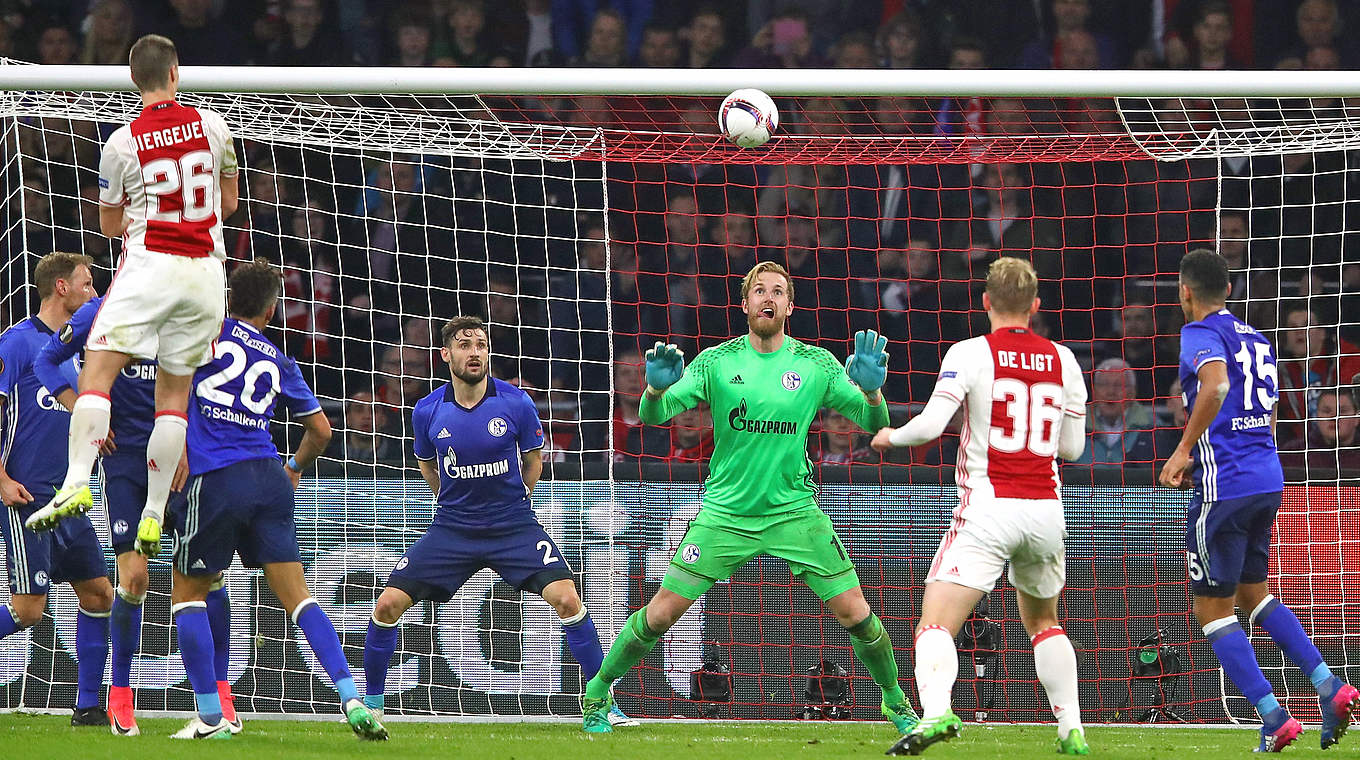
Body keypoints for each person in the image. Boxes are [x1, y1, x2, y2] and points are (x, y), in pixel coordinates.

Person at [580, 261, 919, 737]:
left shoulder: (815, 364)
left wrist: (873, 387)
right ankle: (596, 693)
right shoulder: (717, 362)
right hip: (725, 513)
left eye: (777, 291)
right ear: (744, 304)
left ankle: (896, 701)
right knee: (661, 613)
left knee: (857, 615)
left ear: (789, 305)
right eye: (758, 290)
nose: (768, 297)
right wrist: (655, 387)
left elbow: (871, 420)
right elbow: (653, 416)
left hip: (794, 513)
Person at [362, 316, 633, 726]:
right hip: (453, 528)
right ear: (446, 355)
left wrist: (514, 502)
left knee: (567, 599)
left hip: (513, 526)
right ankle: (374, 704)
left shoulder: (515, 403)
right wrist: (455, 504)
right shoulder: (427, 411)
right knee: (386, 605)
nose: (474, 352)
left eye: (481, 344)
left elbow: (534, 461)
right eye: (464, 344)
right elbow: (427, 467)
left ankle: (601, 702)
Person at [28, 36, 239, 560]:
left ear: (132, 79)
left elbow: (107, 223)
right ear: (176, 72)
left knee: (96, 373)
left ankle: (77, 480)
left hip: (151, 266)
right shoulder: (216, 129)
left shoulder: (122, 143)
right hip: (208, 276)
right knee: (175, 396)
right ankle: (153, 510)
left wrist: (149, 215)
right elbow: (229, 204)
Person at [870, 257, 1090, 756]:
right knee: (1044, 623)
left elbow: (929, 427)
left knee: (935, 623)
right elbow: (1073, 450)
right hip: (1045, 510)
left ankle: (937, 713)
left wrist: (889, 436)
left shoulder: (970, 353)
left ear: (986, 302)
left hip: (987, 508)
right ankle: (1071, 728)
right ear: (1035, 306)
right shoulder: (1065, 359)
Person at [167, 261, 385, 740]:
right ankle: (351, 697)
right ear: (271, 309)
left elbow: (171, 393)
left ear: (228, 299)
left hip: (217, 475)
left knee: (187, 597)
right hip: (268, 475)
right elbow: (322, 431)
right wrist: (293, 469)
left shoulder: (207, 334)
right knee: (299, 599)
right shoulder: (279, 358)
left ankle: (211, 718)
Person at [1158, 249, 1358, 752]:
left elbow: (1217, 384)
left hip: (1223, 484)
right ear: (1228, 289)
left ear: (1186, 291)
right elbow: (1265, 412)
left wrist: (1183, 451)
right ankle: (1329, 686)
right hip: (1266, 475)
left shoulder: (1198, 334)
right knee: (1253, 594)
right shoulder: (1257, 338)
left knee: (1210, 609)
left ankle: (1272, 715)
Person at [34, 294, 236, 736]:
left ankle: (221, 693)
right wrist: (86, 416)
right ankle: (121, 693)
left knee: (208, 576)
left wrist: (190, 443)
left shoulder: (182, 305)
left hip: (180, 459)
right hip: (125, 461)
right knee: (135, 579)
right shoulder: (101, 310)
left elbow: (205, 386)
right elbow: (47, 363)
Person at [0, 252, 112, 728]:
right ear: (61, 288)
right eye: (88, 284)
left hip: (66, 496)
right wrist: (1, 479)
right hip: (24, 493)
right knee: (29, 609)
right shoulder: (17, 343)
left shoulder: (78, 350)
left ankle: (88, 707)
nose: (94, 293)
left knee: (100, 593)